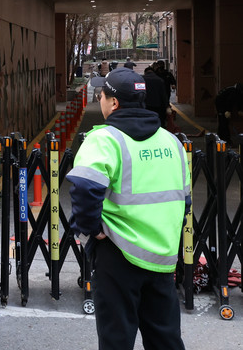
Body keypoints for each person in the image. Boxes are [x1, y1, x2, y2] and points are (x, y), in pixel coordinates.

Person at [67, 68, 189, 350]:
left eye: (101, 96)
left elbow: (84, 189)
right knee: (165, 338)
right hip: (162, 255)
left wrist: (93, 230)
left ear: (114, 102)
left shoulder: (105, 139)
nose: (100, 100)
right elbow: (185, 200)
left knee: (117, 339)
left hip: (118, 253)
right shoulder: (171, 142)